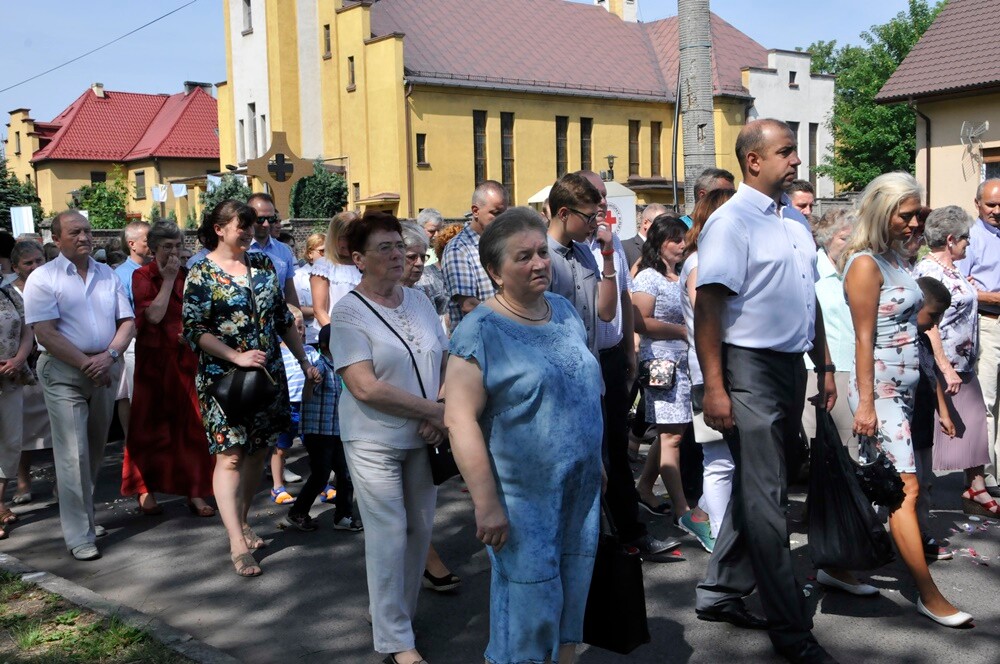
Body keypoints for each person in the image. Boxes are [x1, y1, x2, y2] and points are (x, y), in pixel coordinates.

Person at [693, 119, 838, 664]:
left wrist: (823, 364)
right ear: (754, 160)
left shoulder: (794, 220)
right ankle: (791, 631)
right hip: (747, 369)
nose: (797, 161)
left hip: (789, 368)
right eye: (787, 151)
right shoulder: (731, 223)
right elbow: (709, 307)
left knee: (760, 489)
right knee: (769, 498)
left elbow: (811, 298)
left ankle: (720, 591)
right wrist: (715, 386)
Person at [445, 207, 604, 664]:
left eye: (541, 253)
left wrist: (599, 465)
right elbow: (459, 421)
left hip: (581, 489)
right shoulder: (479, 331)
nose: (539, 263)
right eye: (523, 257)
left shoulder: (566, 312)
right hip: (521, 501)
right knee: (529, 606)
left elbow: (587, 390)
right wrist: (486, 503)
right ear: (494, 271)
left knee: (573, 591)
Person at [841, 171, 971, 628]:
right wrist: (866, 405)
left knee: (875, 483)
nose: (917, 223)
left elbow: (916, 327)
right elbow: (862, 339)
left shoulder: (898, 261)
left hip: (906, 388)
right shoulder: (864, 265)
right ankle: (927, 593)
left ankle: (836, 565)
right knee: (906, 490)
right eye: (908, 214)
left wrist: (936, 392)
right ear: (883, 211)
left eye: (920, 214)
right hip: (879, 390)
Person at [331, 211, 448, 664]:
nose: (399, 255)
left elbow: (444, 358)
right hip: (373, 438)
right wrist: (433, 410)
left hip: (425, 435)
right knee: (389, 533)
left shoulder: (418, 301)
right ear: (358, 259)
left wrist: (439, 408)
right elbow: (364, 386)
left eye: (399, 245)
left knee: (419, 531)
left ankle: (397, 617)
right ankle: (397, 641)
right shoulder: (347, 311)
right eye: (386, 248)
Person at [182, 200, 319, 577]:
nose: (248, 230)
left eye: (252, 224)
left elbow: (281, 319)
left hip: (267, 375)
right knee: (229, 455)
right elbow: (194, 330)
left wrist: (304, 360)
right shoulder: (201, 272)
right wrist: (235, 356)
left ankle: (241, 520)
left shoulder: (263, 266)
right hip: (223, 380)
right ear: (219, 229)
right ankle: (237, 543)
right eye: (240, 225)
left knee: (258, 451)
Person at [23, 211, 135, 561]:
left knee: (94, 448)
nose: (85, 236)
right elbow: (45, 332)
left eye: (87, 230)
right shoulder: (43, 278)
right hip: (64, 372)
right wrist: (89, 363)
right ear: (57, 240)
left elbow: (127, 321)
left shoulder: (107, 274)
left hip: (104, 368)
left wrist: (110, 356)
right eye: (75, 232)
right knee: (72, 453)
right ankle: (79, 535)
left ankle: (84, 516)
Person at [577, 170, 677, 557]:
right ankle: (604, 536)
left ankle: (628, 532)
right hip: (586, 359)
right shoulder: (568, 249)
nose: (602, 203)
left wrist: (631, 353)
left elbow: (620, 297)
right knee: (595, 452)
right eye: (594, 197)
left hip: (614, 355)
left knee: (616, 450)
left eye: (604, 196)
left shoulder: (611, 241)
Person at [120, 221, 215, 518]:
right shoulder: (142, 275)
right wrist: (169, 280)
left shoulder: (191, 275)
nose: (173, 252)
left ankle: (196, 490)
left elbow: (204, 315)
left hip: (185, 358)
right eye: (167, 247)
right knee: (149, 424)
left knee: (191, 425)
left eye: (178, 246)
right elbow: (155, 315)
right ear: (153, 248)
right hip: (153, 361)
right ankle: (144, 487)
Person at [914, 206, 995, 516]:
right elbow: (929, 324)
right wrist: (943, 365)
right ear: (950, 240)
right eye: (964, 239)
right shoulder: (929, 271)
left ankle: (975, 486)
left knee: (973, 422)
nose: (968, 244)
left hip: (964, 360)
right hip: (942, 361)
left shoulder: (952, 268)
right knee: (938, 425)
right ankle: (924, 488)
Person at [678, 188, 736, 553]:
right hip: (709, 372)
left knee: (726, 457)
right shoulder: (700, 263)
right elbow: (709, 315)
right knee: (720, 457)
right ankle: (714, 529)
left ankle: (703, 513)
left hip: (719, 369)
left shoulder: (706, 259)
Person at [633, 216, 697, 532]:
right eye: (676, 240)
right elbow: (639, 321)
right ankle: (682, 509)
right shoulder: (648, 277)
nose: (683, 245)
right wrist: (683, 331)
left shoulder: (680, 275)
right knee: (672, 435)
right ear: (659, 244)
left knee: (673, 431)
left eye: (684, 238)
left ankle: (645, 487)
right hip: (661, 365)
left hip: (683, 364)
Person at [284, 323, 362, 532]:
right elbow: (307, 395)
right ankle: (298, 512)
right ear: (328, 345)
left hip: (335, 431)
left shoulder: (338, 368)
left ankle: (342, 517)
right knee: (321, 474)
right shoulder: (320, 366)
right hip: (318, 432)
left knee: (345, 473)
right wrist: (310, 383)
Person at [956, 178, 1000, 496]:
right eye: (991, 204)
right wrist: (992, 298)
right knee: (986, 401)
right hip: (987, 324)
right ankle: (983, 477)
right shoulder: (971, 237)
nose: (997, 211)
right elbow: (962, 288)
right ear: (978, 204)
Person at [912, 277, 955, 561]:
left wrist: (945, 411)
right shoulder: (898, 339)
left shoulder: (924, 339)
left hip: (924, 420)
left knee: (925, 481)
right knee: (909, 483)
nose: (936, 323)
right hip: (905, 421)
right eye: (933, 315)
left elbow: (932, 375)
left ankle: (921, 532)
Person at [8, 241, 51, 505]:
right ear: (15, 267)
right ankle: (23, 481)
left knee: (55, 428)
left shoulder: (51, 286)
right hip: (21, 367)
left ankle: (62, 482)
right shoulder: (9, 293)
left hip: (49, 362)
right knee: (22, 428)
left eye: (39, 261)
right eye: (28, 263)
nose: (35, 267)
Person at [442, 180, 509, 330]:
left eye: (504, 213)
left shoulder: (503, 242)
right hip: (475, 343)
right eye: (495, 213)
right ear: (475, 211)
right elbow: (468, 304)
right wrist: (509, 321)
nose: (501, 220)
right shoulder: (458, 249)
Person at [113, 221, 151, 468]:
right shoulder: (121, 275)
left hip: (155, 342)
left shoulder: (155, 270)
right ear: (132, 244)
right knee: (130, 395)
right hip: (132, 342)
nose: (152, 244)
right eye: (148, 240)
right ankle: (132, 443)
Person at [0, 273, 35, 538]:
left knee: (11, 441)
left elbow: (27, 328)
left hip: (10, 375)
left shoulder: (8, 291)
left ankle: (0, 498)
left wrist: (19, 359)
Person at [270, 305, 308, 505]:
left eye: (302, 328)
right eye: (295, 328)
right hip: (286, 406)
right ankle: (277, 486)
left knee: (316, 447)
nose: (300, 332)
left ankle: (323, 484)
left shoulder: (310, 351)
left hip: (308, 405)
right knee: (281, 448)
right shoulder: (276, 354)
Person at [247, 192, 300, 308]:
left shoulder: (284, 250)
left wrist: (297, 316)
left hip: (277, 319)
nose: (266, 224)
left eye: (270, 219)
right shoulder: (239, 250)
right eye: (260, 219)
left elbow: (289, 291)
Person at [311, 211, 361, 329]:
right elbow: (319, 310)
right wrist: (337, 335)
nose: (348, 242)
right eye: (343, 237)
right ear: (334, 237)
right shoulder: (324, 266)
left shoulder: (365, 264)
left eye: (353, 237)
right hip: (333, 333)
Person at [294, 232, 325, 345]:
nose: (326, 256)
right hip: (311, 336)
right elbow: (296, 308)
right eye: (322, 251)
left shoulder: (336, 275)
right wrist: (320, 311)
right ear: (310, 253)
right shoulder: (298, 276)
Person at [624, 203, 666, 268]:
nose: (664, 229)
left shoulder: (665, 249)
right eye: (660, 224)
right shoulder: (625, 247)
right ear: (645, 223)